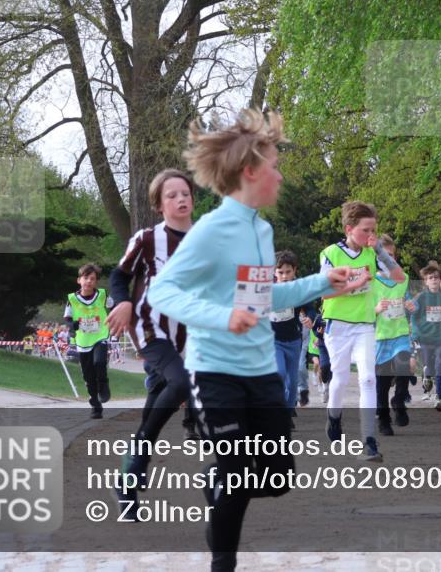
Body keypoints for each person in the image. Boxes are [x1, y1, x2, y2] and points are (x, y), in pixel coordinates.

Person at [147, 109, 364, 572]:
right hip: (216, 372)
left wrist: (324, 282)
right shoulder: (212, 230)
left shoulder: (260, 230)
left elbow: (262, 297)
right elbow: (161, 291)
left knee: (275, 477)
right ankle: (222, 562)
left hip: (262, 372)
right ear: (250, 172)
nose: (280, 175)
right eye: (274, 165)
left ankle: (219, 484)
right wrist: (223, 317)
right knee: (235, 473)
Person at [107, 168, 196, 517]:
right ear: (159, 205)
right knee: (182, 383)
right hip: (150, 328)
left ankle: (127, 483)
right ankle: (139, 458)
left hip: (188, 334)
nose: (180, 199)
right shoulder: (146, 239)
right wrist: (123, 301)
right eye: (171, 195)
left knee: (156, 401)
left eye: (185, 193)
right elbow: (119, 276)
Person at [320, 201, 405, 462]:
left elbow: (399, 276)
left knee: (368, 378)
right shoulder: (330, 253)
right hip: (338, 325)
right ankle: (334, 417)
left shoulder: (372, 253)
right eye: (366, 230)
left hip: (365, 326)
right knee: (341, 380)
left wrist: (379, 249)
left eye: (374, 230)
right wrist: (354, 282)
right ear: (349, 229)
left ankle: (369, 440)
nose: (371, 235)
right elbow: (324, 290)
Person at [373, 235, 416, 436]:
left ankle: (399, 400)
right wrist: (376, 309)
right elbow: (361, 310)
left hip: (399, 333)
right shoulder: (371, 280)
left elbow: (408, 300)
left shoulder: (403, 278)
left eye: (391, 255)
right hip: (379, 336)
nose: (387, 259)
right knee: (382, 381)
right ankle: (383, 418)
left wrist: (410, 305)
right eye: (383, 255)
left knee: (403, 365)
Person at [270, 250, 317, 423]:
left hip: (293, 341)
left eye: (288, 272)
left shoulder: (298, 289)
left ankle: (288, 413)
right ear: (274, 272)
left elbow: (310, 308)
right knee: (280, 374)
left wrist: (310, 319)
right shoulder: (267, 288)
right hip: (273, 341)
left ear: (295, 270)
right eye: (280, 272)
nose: (284, 276)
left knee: (293, 381)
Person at [64, 263, 114, 418]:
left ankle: (104, 385)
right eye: (86, 278)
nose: (89, 281)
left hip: (100, 336)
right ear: (79, 280)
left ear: (96, 282)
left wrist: (115, 317)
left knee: (99, 362)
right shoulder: (72, 299)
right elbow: (67, 318)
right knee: (88, 376)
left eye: (92, 279)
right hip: (83, 341)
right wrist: (72, 325)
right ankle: (96, 406)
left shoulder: (103, 295)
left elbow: (116, 306)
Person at [410, 260, 441, 411]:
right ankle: (427, 377)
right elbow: (413, 316)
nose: (434, 280)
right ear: (426, 282)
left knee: (440, 365)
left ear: (440, 280)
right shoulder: (421, 298)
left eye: (436, 277)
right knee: (429, 366)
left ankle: (439, 399)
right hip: (425, 338)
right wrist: (415, 334)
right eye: (430, 278)